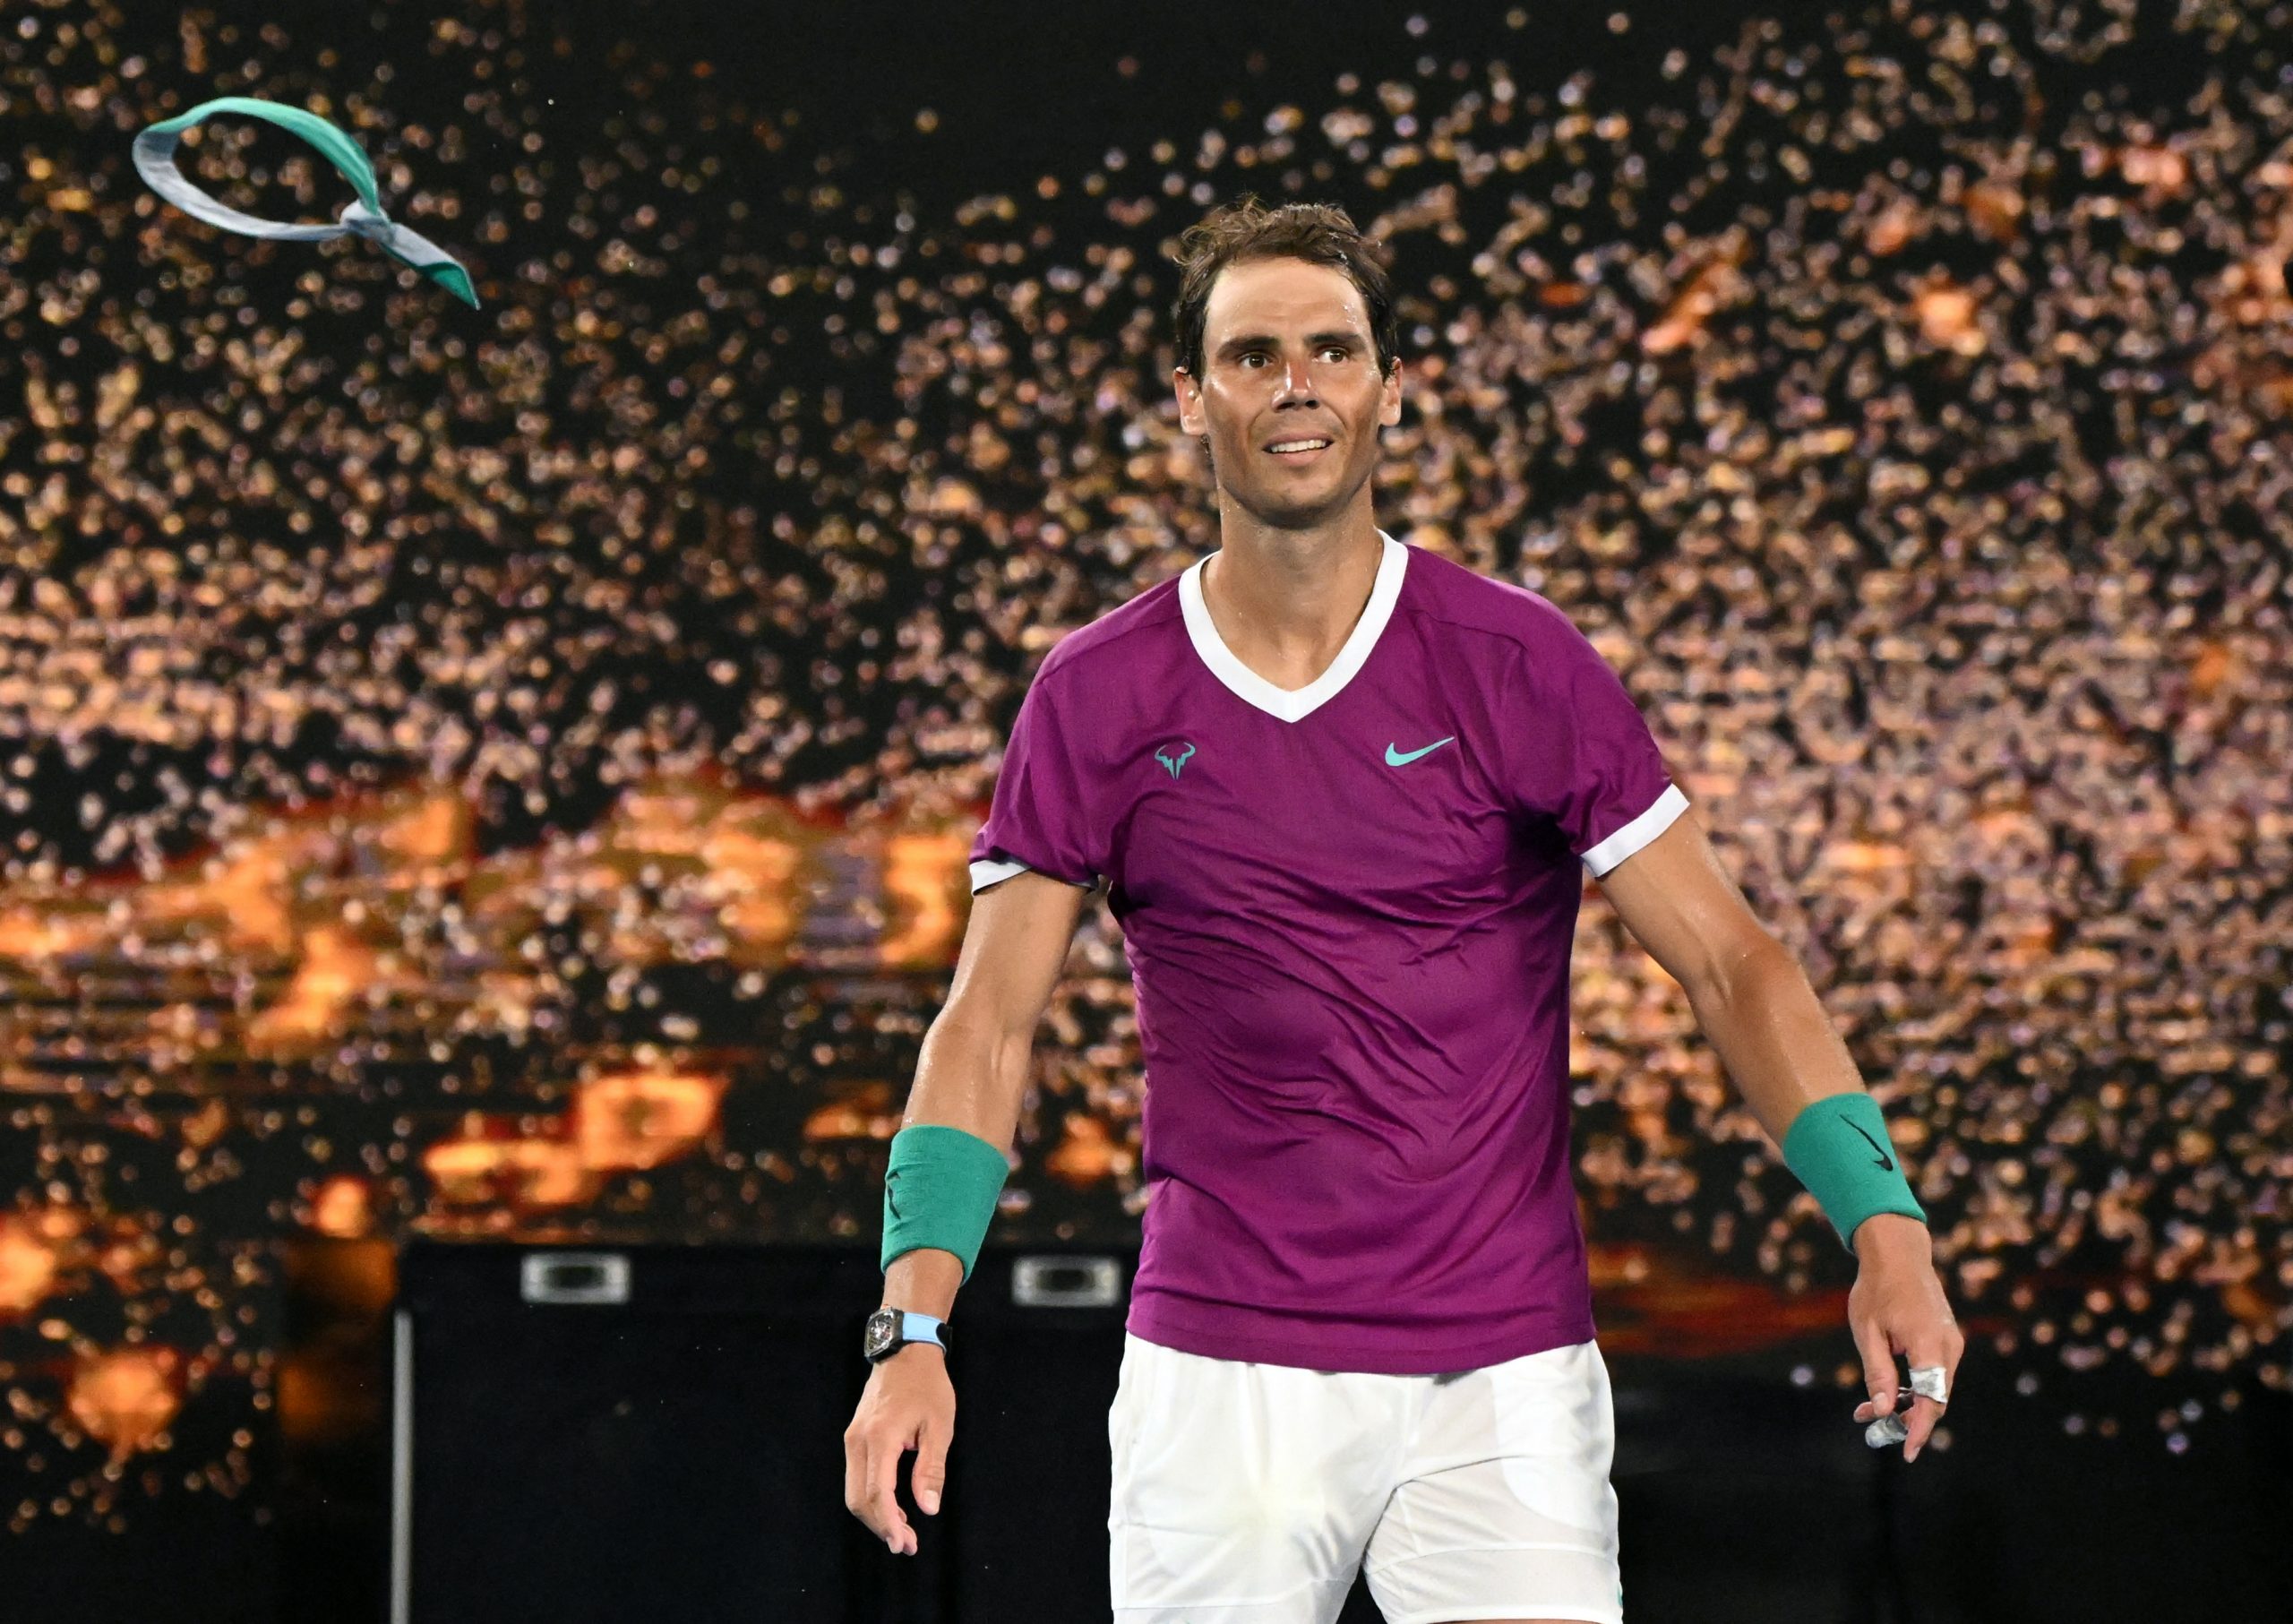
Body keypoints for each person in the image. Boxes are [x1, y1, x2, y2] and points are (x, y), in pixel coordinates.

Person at [843, 197, 1964, 1624]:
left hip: (1503, 1378)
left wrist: (1886, 1224)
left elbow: (1734, 965)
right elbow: (987, 1024)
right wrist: (913, 1322)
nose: (1295, 384)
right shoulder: (1097, 691)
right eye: (1252, 355)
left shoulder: (1519, 660)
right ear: (1191, 399)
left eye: (1331, 348)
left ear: (1390, 386)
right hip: (1221, 1382)